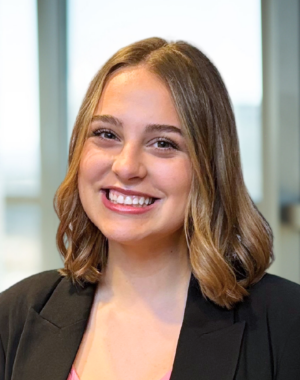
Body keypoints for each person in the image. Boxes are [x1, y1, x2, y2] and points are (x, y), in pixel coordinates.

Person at [1, 37, 300, 380]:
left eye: (163, 143)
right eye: (107, 134)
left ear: (210, 167)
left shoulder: (286, 325)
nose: (127, 167)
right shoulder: (14, 317)